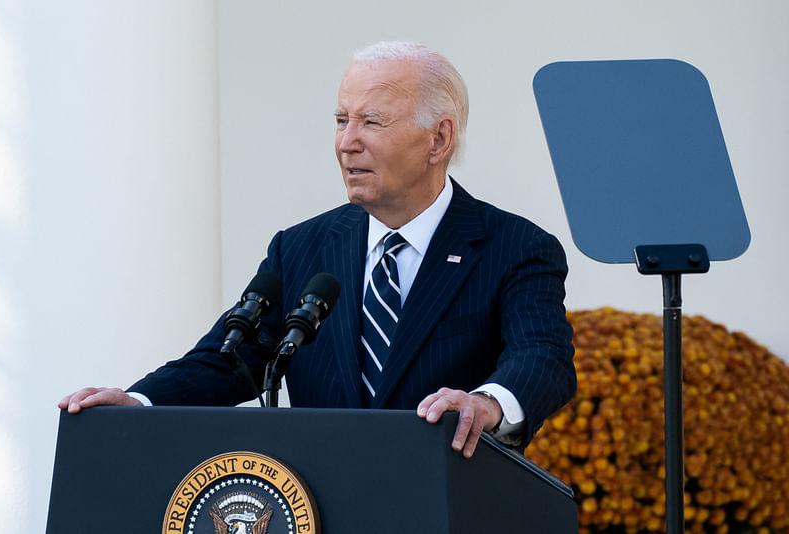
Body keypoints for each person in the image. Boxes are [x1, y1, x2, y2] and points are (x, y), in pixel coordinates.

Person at [59, 41, 576, 458]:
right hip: (323, 504)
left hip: (447, 500)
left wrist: (485, 403)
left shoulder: (516, 247)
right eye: (341, 120)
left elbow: (542, 356)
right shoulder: (301, 247)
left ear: (438, 140)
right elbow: (230, 360)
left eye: (371, 122)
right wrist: (139, 401)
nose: (347, 142)